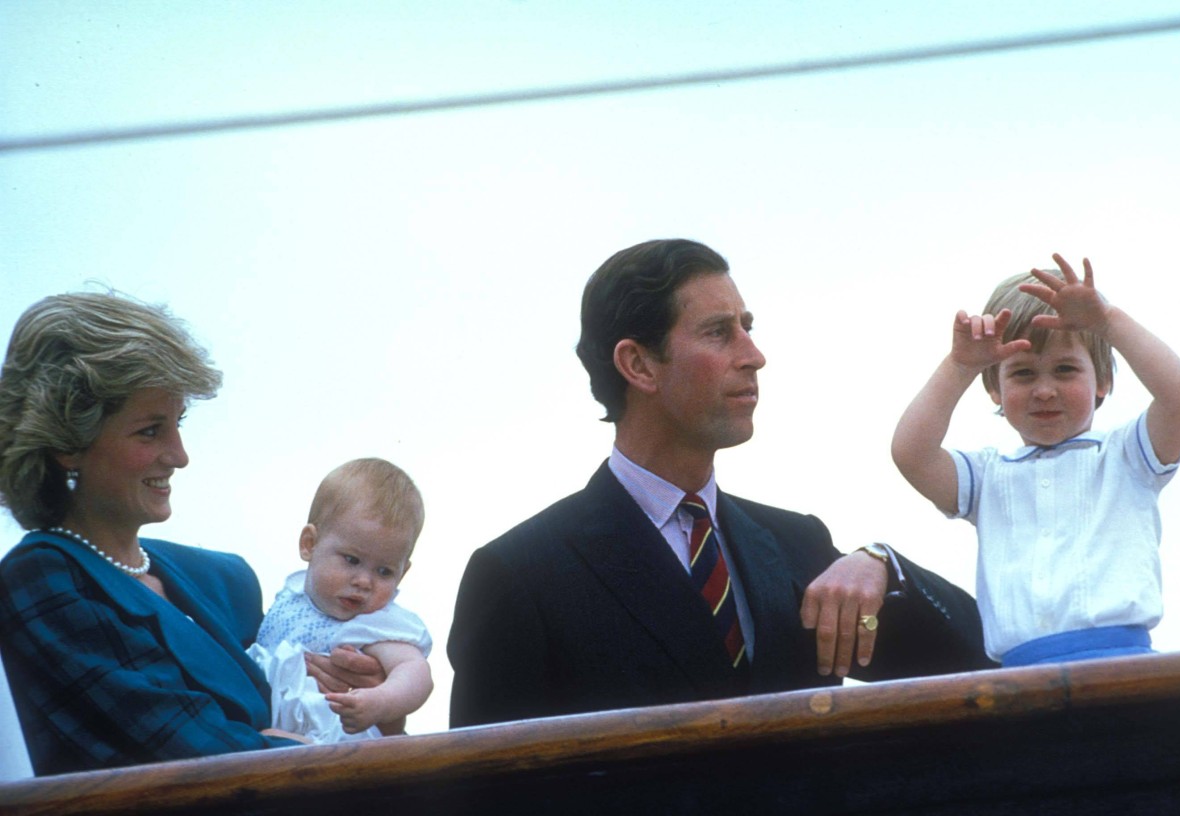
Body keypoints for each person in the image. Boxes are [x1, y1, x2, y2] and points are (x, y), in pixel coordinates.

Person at [448, 238, 993, 728]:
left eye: (747, 327)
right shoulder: (521, 574)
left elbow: (984, 660)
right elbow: (484, 794)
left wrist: (882, 563)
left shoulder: (796, 544)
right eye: (718, 332)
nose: (754, 356)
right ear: (638, 364)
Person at [0, 292, 382, 775]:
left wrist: (363, 689)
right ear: (67, 443)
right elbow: (194, 758)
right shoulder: (41, 579)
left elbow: (289, 720)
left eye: (177, 424)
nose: (180, 456)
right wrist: (280, 746)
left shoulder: (220, 580)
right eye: (150, 431)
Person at [891, 254, 1180, 667]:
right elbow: (912, 453)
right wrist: (960, 365)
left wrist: (1106, 322)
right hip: (1018, 678)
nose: (1045, 391)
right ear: (995, 389)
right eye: (1023, 374)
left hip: (1123, 666)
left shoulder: (1128, 458)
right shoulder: (988, 477)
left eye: (1065, 369)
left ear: (1102, 381)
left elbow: (1179, 395)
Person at [250, 458, 433, 742]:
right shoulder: (291, 598)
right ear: (309, 544)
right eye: (352, 560)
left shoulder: (374, 622)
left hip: (337, 739)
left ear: (403, 572)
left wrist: (379, 701)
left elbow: (415, 671)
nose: (364, 581)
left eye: (384, 571)